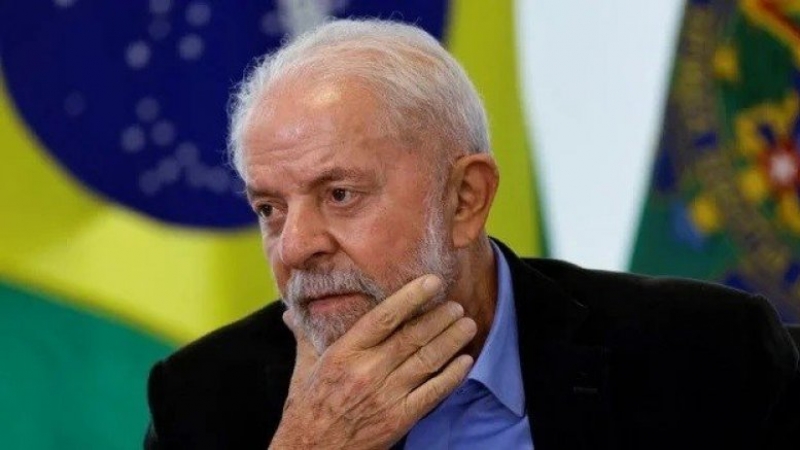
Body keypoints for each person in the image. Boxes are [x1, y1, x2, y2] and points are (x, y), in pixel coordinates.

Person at [144, 19, 800, 450]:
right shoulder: (204, 401)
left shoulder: (705, 355)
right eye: (269, 208)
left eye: (339, 195)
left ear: (465, 199)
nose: (293, 246)